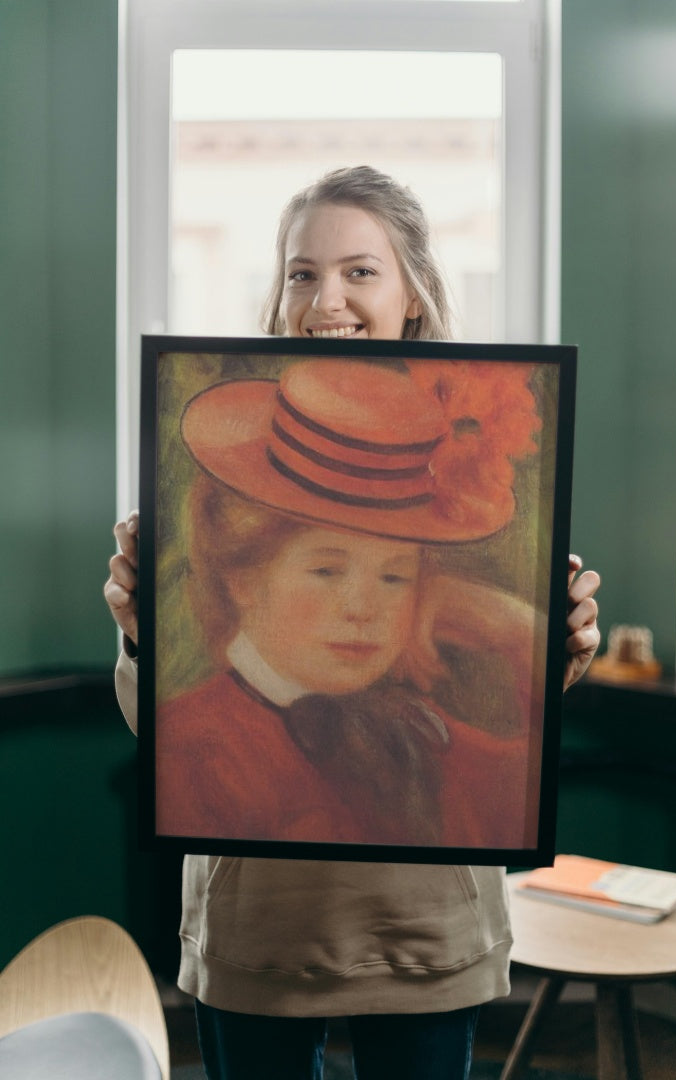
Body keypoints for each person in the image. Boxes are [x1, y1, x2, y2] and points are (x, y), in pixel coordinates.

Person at [105, 166, 601, 1080]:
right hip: (259, 928)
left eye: (359, 271)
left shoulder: (470, 472)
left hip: (426, 926)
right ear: (245, 574)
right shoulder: (202, 522)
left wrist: (555, 649)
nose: (325, 297)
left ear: (412, 291)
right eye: (301, 272)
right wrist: (137, 635)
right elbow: (171, 739)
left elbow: (509, 739)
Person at [156, 356, 544, 849]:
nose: (363, 609)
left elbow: (523, 803)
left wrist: (511, 627)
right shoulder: (191, 749)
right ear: (243, 578)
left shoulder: (420, 735)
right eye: (326, 570)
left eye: (395, 576)